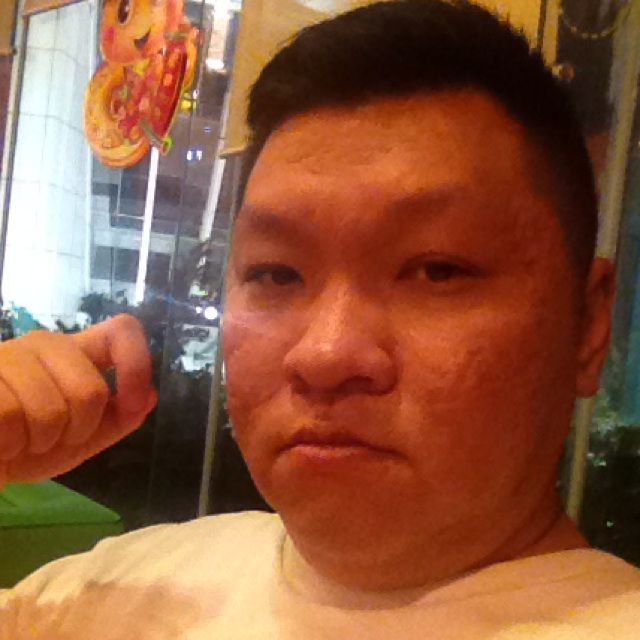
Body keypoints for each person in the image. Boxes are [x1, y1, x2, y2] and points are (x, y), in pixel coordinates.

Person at [2, 0, 639, 637]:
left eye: (438, 270)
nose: (325, 354)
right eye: (276, 274)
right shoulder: (108, 594)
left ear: (588, 326)